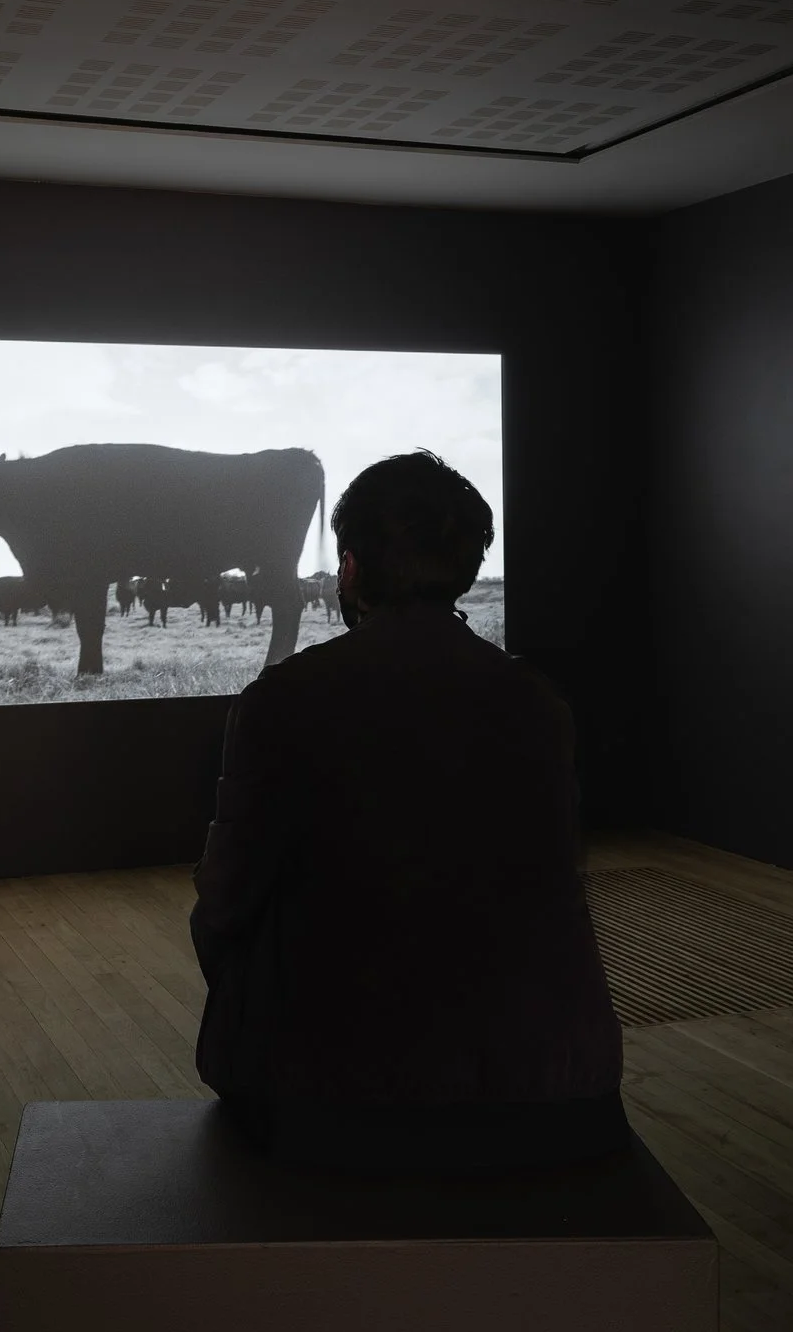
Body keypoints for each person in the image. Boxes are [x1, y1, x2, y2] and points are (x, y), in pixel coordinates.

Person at [189, 452, 627, 1175]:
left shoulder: (282, 701)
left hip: (326, 1099)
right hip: (548, 1086)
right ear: (465, 566)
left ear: (350, 568)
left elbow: (225, 902)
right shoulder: (537, 703)